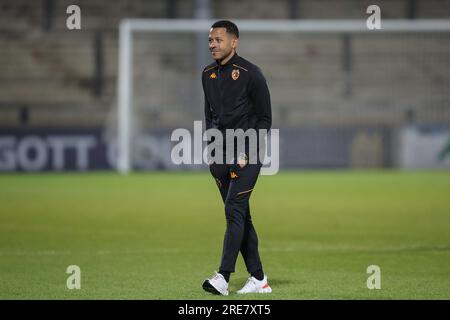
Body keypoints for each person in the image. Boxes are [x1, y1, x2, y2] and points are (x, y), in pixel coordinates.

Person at [201, 20, 272, 295]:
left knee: (233, 212)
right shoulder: (207, 73)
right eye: (210, 40)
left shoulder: (251, 73)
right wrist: (211, 148)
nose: (212, 45)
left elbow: (265, 119)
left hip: (247, 154)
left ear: (234, 42)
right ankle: (258, 278)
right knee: (240, 215)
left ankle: (223, 277)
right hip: (220, 154)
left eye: (218, 40)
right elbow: (209, 115)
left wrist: (247, 151)